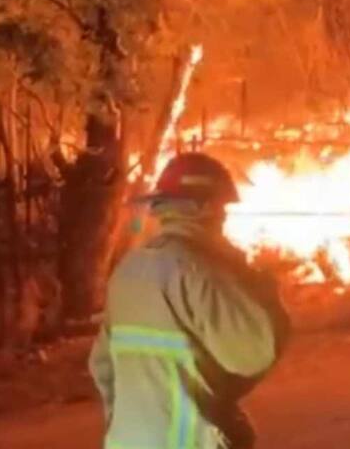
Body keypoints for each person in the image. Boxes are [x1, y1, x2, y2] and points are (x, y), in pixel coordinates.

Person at [89, 152, 289, 449]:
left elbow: (102, 366)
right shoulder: (198, 270)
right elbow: (253, 353)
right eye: (222, 209)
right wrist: (262, 293)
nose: (223, 218)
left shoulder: (128, 270)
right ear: (204, 208)